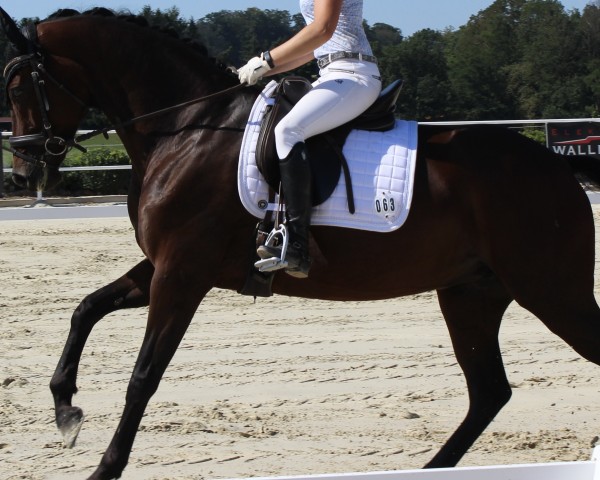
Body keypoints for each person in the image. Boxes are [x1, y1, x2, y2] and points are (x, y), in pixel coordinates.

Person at [238, 0, 382, 278]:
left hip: (354, 74)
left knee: (287, 130)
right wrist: (261, 71)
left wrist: (266, 59)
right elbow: (313, 48)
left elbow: (322, 30)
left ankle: (298, 245)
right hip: (331, 72)